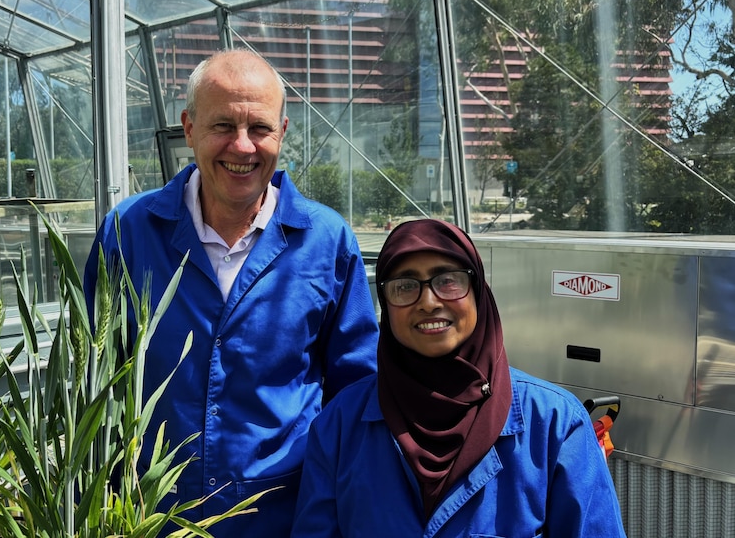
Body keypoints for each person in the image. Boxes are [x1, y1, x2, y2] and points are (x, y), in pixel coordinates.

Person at [83, 49, 379, 537]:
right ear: (189, 128)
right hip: (149, 515)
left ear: (283, 132)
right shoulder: (130, 233)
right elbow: (93, 384)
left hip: (284, 517)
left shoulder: (325, 241)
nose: (242, 147)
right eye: (223, 126)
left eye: (259, 128)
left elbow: (355, 390)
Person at [291, 218, 627, 537]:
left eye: (448, 280)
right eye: (405, 286)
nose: (428, 301)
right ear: (385, 303)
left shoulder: (554, 424)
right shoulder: (339, 426)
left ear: (478, 290)